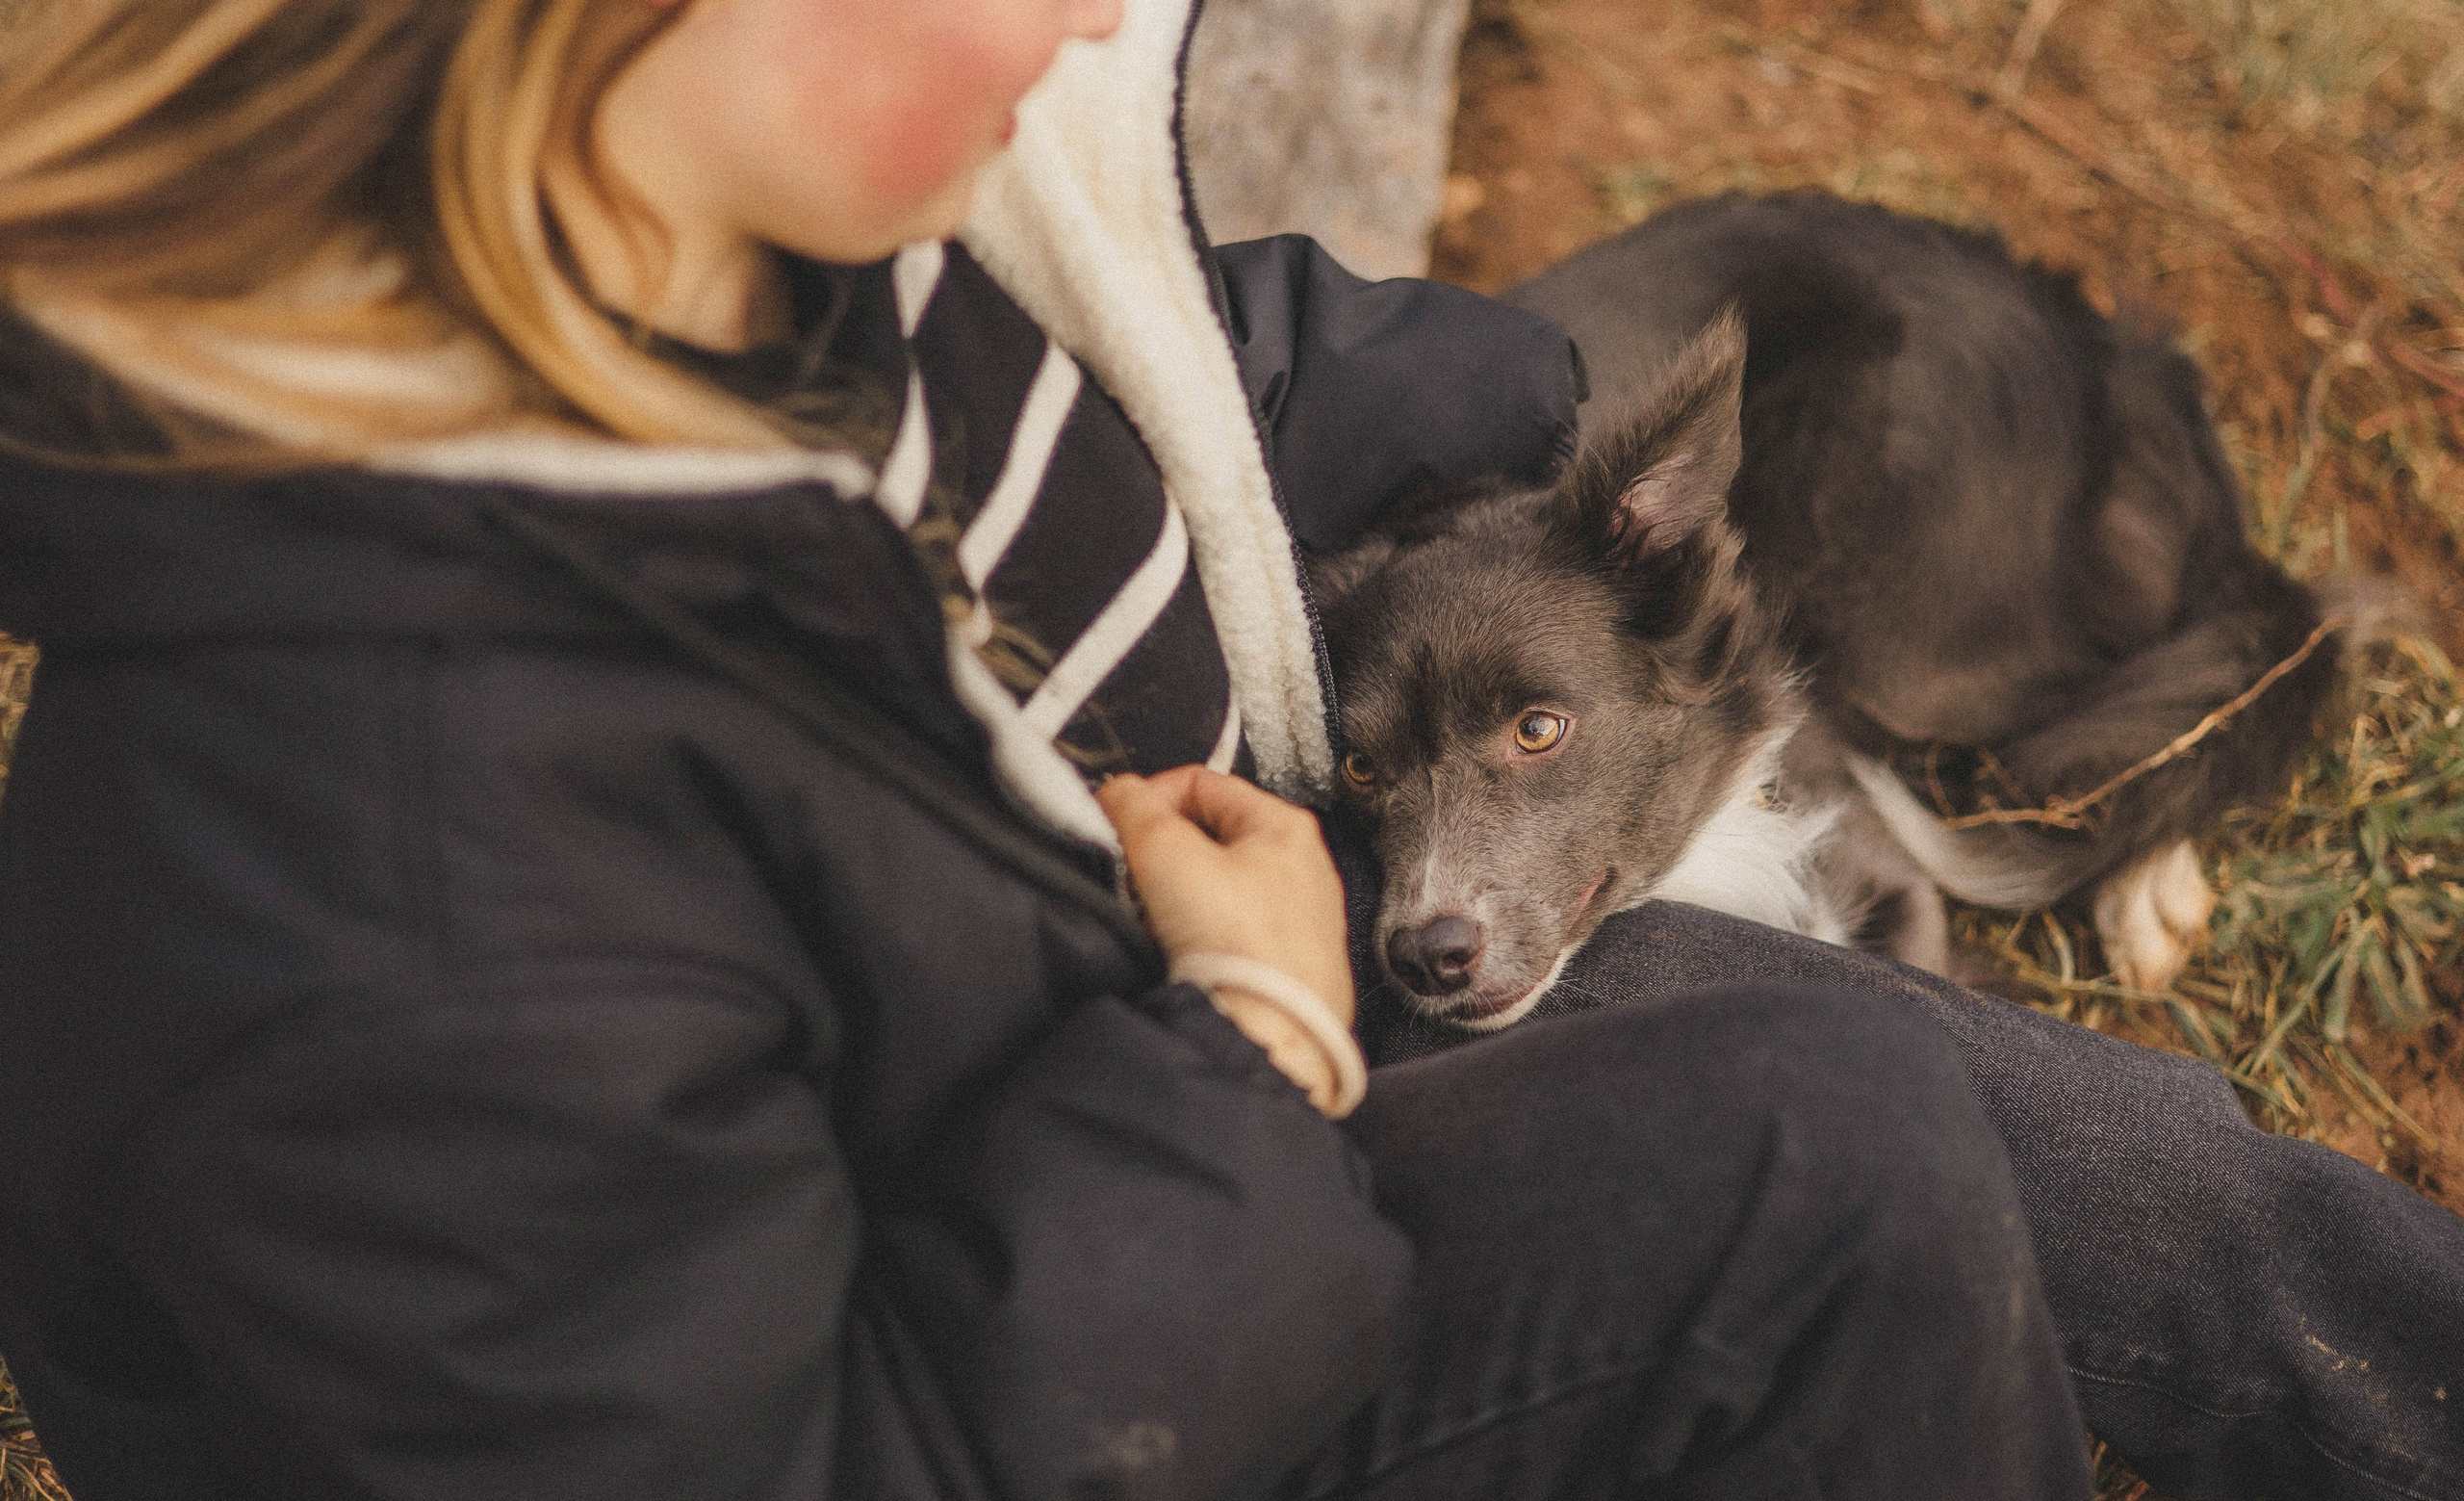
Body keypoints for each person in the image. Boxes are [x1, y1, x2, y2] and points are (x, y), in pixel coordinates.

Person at [0, 2, 2453, 1498]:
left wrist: (1523, 442)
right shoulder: (382, 883)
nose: (1088, 26)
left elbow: (1177, 371)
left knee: (2130, 1177)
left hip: (1192, 991)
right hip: (1102, 1223)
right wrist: (1251, 1041)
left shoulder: (698, 256)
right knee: (1846, 1171)